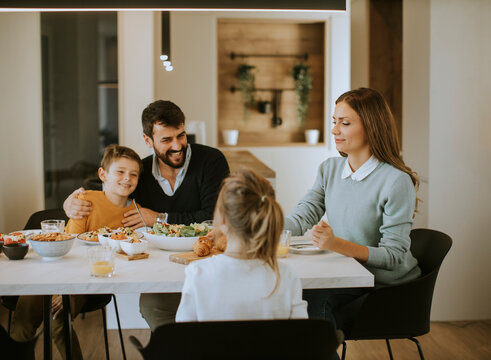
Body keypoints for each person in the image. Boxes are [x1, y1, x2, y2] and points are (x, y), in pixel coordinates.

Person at [63, 100, 230, 331]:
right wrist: (70, 201)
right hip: (160, 266)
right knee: (152, 305)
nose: (177, 145)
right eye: (166, 140)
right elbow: (110, 193)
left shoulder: (211, 161)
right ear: (147, 141)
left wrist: (159, 218)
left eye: (181, 136)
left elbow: (212, 218)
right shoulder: (138, 173)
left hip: (208, 261)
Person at [285, 88, 421, 335]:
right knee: (288, 294)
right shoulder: (329, 169)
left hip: (383, 288)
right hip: (347, 274)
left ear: (371, 127)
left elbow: (393, 256)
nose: (334, 130)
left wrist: (336, 244)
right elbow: (302, 216)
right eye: (334, 122)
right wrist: (254, 230)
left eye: (345, 123)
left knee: (313, 303)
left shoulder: (395, 181)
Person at [10, 144, 143, 360]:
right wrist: (62, 285)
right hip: (58, 270)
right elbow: (70, 248)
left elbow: (123, 258)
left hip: (90, 279)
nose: (127, 178)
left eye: (133, 174)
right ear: (103, 174)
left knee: (57, 322)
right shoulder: (85, 201)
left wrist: (69, 291)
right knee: (23, 321)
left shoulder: (135, 213)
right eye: (120, 171)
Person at [176, 169, 308, 322]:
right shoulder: (286, 276)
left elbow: (183, 339)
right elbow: (301, 339)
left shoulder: (198, 274)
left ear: (223, 218)